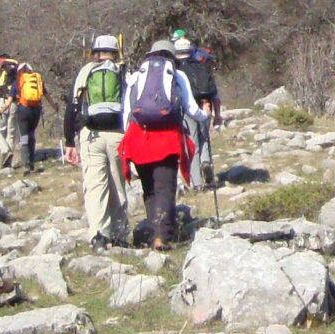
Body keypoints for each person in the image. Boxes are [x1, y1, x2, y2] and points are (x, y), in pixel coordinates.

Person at [119, 35, 198, 250]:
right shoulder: (176, 74)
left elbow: (127, 111)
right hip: (167, 138)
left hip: (140, 137)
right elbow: (191, 108)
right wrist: (205, 118)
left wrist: (128, 137)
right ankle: (163, 237)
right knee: (165, 187)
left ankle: (155, 232)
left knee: (149, 189)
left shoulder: (137, 75)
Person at [62, 34, 130, 246]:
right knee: (118, 185)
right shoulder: (123, 72)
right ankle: (119, 235)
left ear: (95, 52)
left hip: (90, 135)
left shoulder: (85, 72)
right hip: (118, 135)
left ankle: (99, 235)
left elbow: (72, 107)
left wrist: (69, 141)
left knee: (94, 187)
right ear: (115, 51)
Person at [172, 28, 222, 188]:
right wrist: (217, 114)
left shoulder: (176, 70)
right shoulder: (201, 64)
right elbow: (214, 93)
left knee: (191, 143)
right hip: (205, 103)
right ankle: (206, 162)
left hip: (187, 109)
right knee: (204, 137)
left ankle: (197, 182)